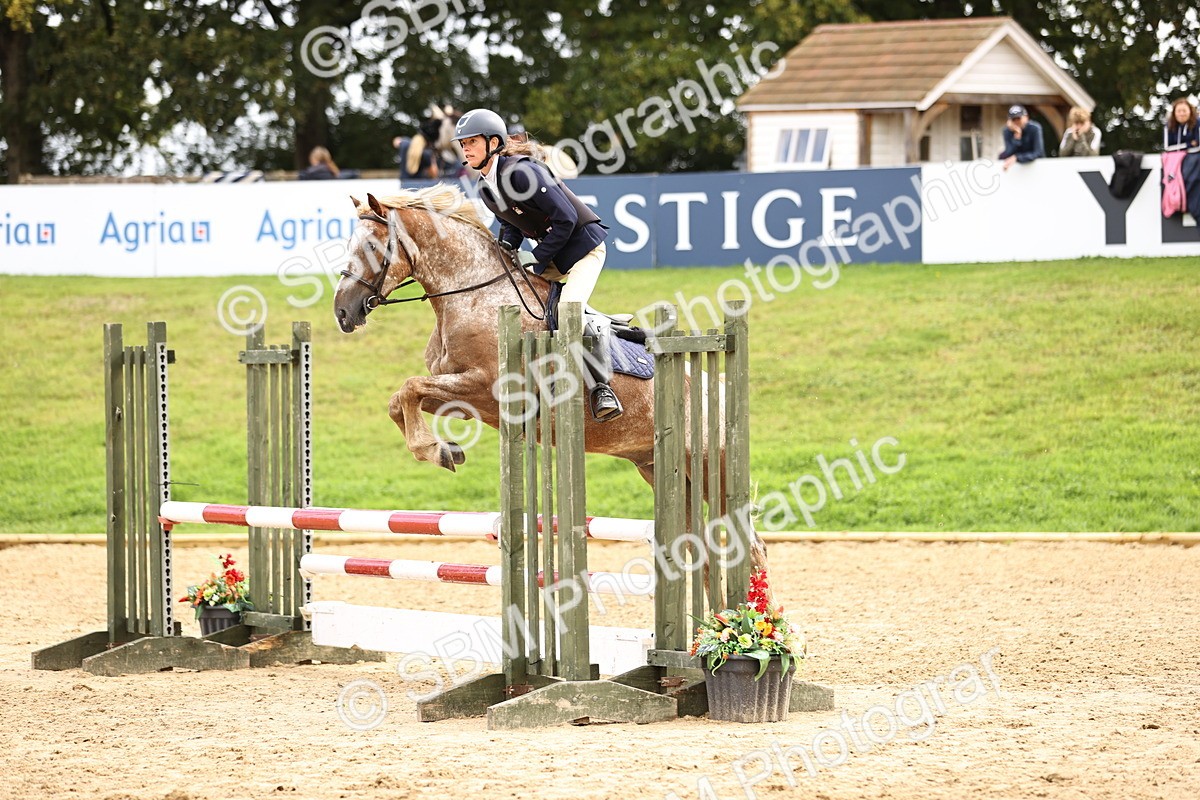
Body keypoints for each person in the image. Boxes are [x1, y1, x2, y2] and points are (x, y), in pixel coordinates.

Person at [451, 107, 621, 422]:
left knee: (568, 309)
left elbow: (566, 219)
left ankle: (602, 388)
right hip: (552, 254)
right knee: (521, 302)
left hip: (583, 249)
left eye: (472, 141)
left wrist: (535, 258)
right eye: (462, 144)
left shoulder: (522, 172)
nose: (465, 148)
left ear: (493, 143)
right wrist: (505, 250)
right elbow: (513, 224)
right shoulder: (486, 186)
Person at [998, 104, 1044, 170]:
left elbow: (1038, 153)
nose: (1016, 122)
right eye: (1014, 119)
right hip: (1015, 170)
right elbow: (1008, 153)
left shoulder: (1035, 128)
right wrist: (1017, 138)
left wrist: (1018, 158)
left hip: (1035, 168)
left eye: (1018, 118)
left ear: (1026, 117)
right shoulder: (1007, 131)